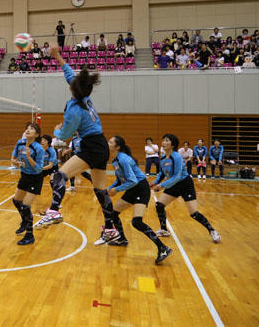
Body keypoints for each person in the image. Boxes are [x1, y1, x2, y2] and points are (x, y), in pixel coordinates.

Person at [47, 45, 119, 245]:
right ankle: (110, 229)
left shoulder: (74, 110)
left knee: (59, 176)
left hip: (91, 146)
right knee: (100, 190)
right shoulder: (84, 95)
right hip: (101, 145)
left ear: (73, 88)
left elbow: (66, 135)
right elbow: (69, 73)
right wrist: (57, 56)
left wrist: (57, 131)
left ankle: (53, 211)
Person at [106, 136, 173, 264]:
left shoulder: (123, 159)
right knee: (113, 214)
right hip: (132, 189)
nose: (107, 143)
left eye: (110, 142)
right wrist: (110, 188)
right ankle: (122, 239)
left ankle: (163, 248)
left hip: (141, 189)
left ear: (117, 147)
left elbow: (133, 180)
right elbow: (120, 179)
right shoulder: (115, 160)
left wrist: (116, 190)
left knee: (136, 222)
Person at [151, 134, 221, 243]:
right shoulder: (163, 158)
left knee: (194, 213)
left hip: (185, 184)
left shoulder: (177, 157)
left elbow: (177, 176)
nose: (163, 143)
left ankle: (212, 231)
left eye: (167, 140)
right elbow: (162, 173)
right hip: (173, 184)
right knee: (159, 205)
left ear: (173, 145)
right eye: (163, 140)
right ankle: (164, 230)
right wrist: (155, 182)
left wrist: (161, 185)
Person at [11, 123, 45, 245]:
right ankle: (25, 221)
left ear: (37, 134)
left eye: (32, 129)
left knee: (25, 205)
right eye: (27, 128)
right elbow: (13, 157)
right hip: (24, 175)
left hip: (35, 178)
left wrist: (29, 157)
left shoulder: (39, 148)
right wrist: (14, 161)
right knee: (16, 201)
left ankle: (30, 236)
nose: (28, 130)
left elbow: (39, 169)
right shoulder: (20, 143)